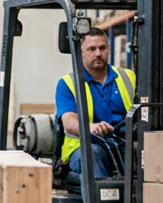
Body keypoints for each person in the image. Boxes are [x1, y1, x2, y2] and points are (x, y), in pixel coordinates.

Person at [54, 26, 137, 177]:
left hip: (122, 143)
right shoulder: (68, 83)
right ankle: (103, 200)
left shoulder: (128, 77)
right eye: (92, 49)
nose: (98, 54)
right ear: (81, 52)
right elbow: (69, 122)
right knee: (93, 154)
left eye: (102, 48)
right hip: (84, 146)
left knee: (146, 151)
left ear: (109, 49)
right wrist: (90, 127)